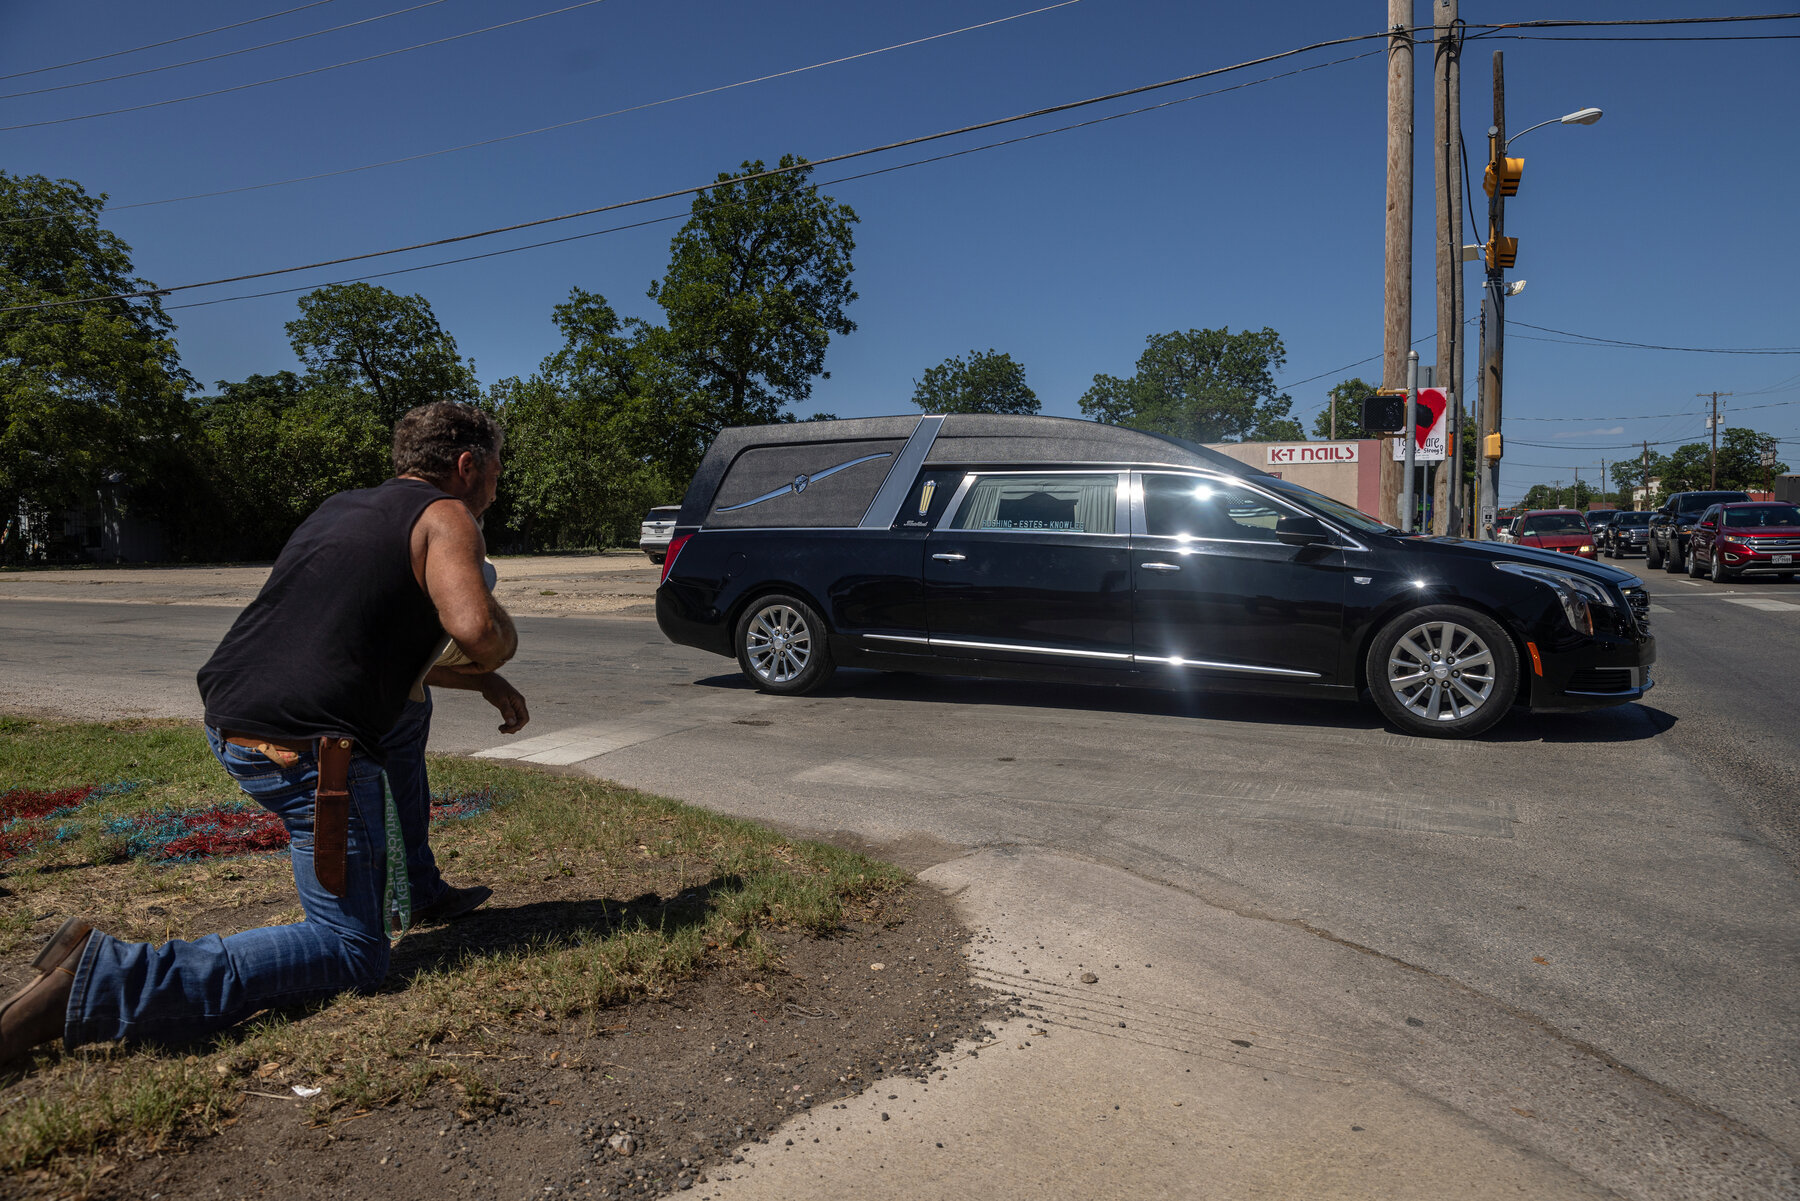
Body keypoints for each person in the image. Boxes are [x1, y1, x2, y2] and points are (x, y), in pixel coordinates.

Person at [0, 401, 516, 1066]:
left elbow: (349, 648)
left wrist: (479, 682)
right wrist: (501, 639)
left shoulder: (344, 508)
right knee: (352, 951)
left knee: (407, 716)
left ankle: (415, 884)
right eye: (497, 471)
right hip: (311, 755)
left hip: (235, 724)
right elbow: (477, 631)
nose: (499, 488)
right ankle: (103, 980)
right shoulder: (448, 516)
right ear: (467, 466)